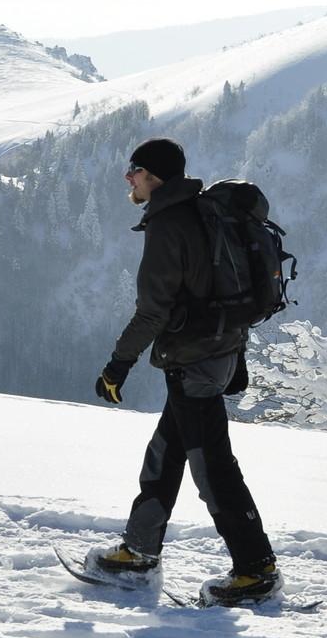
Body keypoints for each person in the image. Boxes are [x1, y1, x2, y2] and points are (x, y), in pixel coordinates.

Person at [89, 137, 280, 605]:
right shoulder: (198, 211)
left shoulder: (170, 223)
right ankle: (139, 550)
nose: (127, 178)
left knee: (213, 468)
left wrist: (118, 364)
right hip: (209, 354)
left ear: (154, 176)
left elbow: (152, 312)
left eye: (133, 169)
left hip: (196, 360)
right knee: (166, 453)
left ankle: (256, 570)